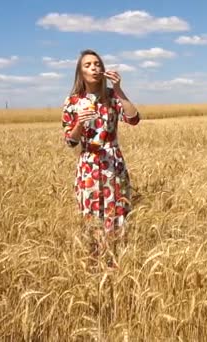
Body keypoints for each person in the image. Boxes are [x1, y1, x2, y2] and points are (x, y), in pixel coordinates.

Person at [61, 49, 140, 268]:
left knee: (118, 215)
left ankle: (117, 264)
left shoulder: (112, 96)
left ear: (103, 69)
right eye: (87, 65)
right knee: (91, 216)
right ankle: (93, 265)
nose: (94, 67)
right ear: (80, 72)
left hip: (113, 163)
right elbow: (70, 141)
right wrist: (79, 124)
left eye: (97, 64)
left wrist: (118, 89)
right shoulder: (73, 101)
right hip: (88, 165)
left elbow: (134, 119)